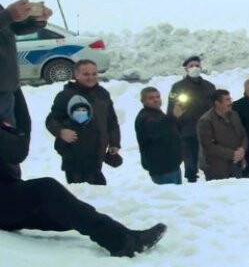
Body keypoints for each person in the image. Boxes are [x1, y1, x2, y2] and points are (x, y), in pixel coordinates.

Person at [2, 89, 165, 257]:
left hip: (9, 190)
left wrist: (14, 89)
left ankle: (121, 234)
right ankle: (122, 242)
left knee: (67, 216)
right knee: (47, 189)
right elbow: (18, 150)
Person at [46, 60, 120, 185]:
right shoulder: (66, 95)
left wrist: (114, 143)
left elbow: (111, 120)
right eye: (86, 74)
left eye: (94, 74)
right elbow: (51, 120)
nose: (91, 77)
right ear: (76, 75)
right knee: (85, 191)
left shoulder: (102, 94)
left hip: (97, 153)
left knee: (97, 189)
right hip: (75, 156)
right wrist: (61, 132)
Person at [2, 0, 53, 127]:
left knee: (14, 135)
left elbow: (13, 28)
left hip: (7, 87)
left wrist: (36, 21)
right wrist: (8, 15)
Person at [167, 56, 216, 183]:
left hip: (207, 131)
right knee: (190, 162)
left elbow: (215, 108)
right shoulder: (177, 87)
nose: (195, 68)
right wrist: (174, 127)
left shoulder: (209, 86)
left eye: (197, 65)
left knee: (210, 161)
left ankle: (212, 184)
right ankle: (191, 182)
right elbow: (171, 111)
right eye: (191, 66)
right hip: (187, 131)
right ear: (186, 69)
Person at [134, 86, 183, 184]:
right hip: (162, 169)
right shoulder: (145, 117)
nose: (156, 100)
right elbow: (158, 133)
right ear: (143, 101)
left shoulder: (157, 114)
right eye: (151, 98)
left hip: (172, 166)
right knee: (169, 194)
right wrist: (173, 117)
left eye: (158, 97)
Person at [197, 89, 247, 181]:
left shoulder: (234, 115)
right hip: (217, 168)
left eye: (230, 99)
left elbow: (243, 135)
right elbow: (208, 146)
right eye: (227, 100)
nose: (230, 102)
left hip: (236, 165)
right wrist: (232, 154)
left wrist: (242, 149)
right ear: (217, 103)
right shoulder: (206, 120)